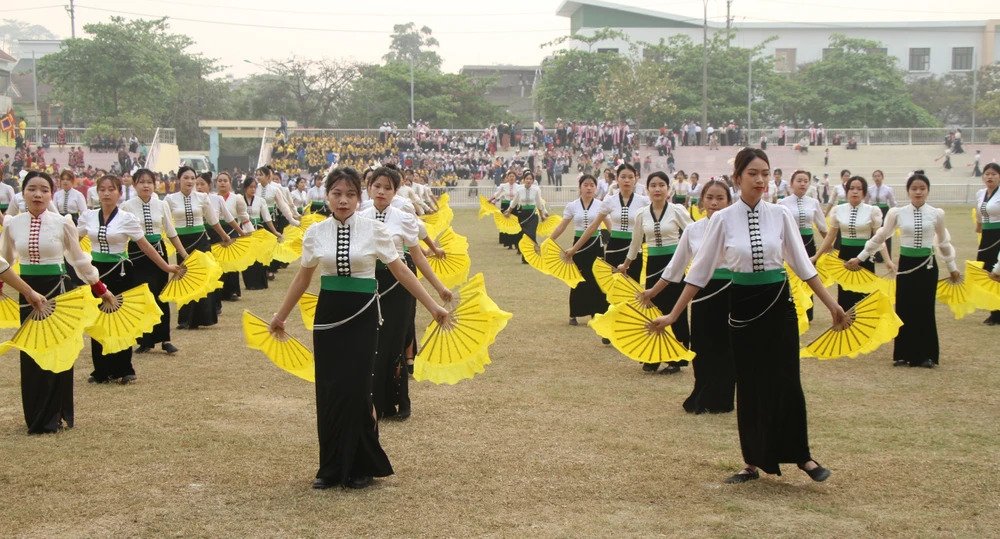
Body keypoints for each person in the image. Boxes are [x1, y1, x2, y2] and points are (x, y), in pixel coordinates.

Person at [650, 148, 849, 484]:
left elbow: (802, 266)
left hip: (779, 304)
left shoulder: (781, 214)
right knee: (751, 383)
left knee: (787, 380)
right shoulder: (723, 220)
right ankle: (752, 463)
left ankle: (803, 457)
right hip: (742, 306)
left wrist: (832, 305)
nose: (760, 180)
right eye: (753, 173)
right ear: (738, 178)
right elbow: (698, 272)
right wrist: (672, 314)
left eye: (765, 173)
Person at [268, 167, 448, 490]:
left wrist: (433, 306)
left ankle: (361, 465)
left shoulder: (374, 231)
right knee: (329, 389)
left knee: (359, 389)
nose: (343, 200)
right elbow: (302, 278)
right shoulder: (315, 233)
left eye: (351, 194)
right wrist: (281, 315)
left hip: (364, 316)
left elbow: (403, 272)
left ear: (358, 198)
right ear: (327, 196)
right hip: (328, 319)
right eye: (337, 193)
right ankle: (330, 467)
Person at [0, 170, 117, 434]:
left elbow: (79, 259)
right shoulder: (12, 224)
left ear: (51, 194)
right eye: (32, 189)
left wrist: (100, 288)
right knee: (31, 353)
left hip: (57, 292)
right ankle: (35, 416)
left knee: (57, 353)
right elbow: (5, 259)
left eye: (44, 189)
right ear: (22, 193)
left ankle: (56, 415)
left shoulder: (62, 222)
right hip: (28, 293)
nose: (38, 194)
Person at [359, 166, 452, 420]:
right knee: (372, 345)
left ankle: (399, 404)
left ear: (395, 191)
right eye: (376, 186)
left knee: (393, 345)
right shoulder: (359, 215)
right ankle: (373, 404)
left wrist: (439, 288)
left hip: (398, 286)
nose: (381, 192)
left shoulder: (403, 217)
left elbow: (417, 257)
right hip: (367, 284)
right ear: (368, 188)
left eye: (387, 188)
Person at [848, 171, 960, 368]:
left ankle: (927, 355)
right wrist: (860, 257)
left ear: (928, 191)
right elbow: (881, 236)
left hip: (928, 266)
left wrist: (952, 267)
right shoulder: (896, 213)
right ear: (908, 191)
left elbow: (943, 242)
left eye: (922, 188)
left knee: (925, 310)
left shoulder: (936, 214)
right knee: (904, 308)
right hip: (906, 266)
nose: (918, 192)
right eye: (914, 188)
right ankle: (903, 353)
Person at [642, 180, 735, 413]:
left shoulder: (737, 228)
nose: (714, 203)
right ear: (701, 201)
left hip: (734, 292)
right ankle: (702, 394)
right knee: (702, 346)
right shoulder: (694, 230)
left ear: (729, 202)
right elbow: (675, 267)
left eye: (720, 198)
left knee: (728, 347)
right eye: (710, 198)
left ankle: (723, 399)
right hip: (702, 292)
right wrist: (653, 291)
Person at [78, 175, 182, 383]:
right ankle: (101, 370)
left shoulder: (126, 218)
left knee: (119, 321)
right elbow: (72, 242)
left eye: (111, 189)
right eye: (102, 189)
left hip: (121, 272)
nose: (106, 193)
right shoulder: (87, 217)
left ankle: (124, 369)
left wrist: (166, 266)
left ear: (119, 192)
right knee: (98, 320)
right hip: (96, 273)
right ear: (97, 192)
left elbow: (146, 246)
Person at [620, 171, 693, 374]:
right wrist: (625, 264)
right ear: (647, 189)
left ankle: (676, 357)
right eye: (653, 185)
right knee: (652, 310)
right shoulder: (642, 214)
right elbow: (635, 243)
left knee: (676, 310)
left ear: (668, 189)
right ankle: (653, 356)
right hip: (652, 266)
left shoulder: (677, 210)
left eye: (662, 185)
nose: (657, 189)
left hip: (675, 265)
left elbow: (693, 233)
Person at [120, 168, 189, 355]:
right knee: (144, 296)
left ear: (155, 184)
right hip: (137, 255)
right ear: (134, 185)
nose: (146, 185)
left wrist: (184, 254)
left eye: (149, 182)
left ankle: (165, 339)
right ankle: (145, 340)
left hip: (160, 253)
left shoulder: (162, 204)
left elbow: (171, 232)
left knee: (161, 295)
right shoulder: (127, 206)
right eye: (141, 182)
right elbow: (121, 234)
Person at [164, 166, 232, 330]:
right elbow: (167, 225)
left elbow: (212, 220)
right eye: (186, 178)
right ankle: (184, 319)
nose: (190, 181)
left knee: (202, 278)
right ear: (179, 179)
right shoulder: (169, 199)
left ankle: (204, 317)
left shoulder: (202, 197)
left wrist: (225, 236)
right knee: (185, 278)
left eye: (192, 178)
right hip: (182, 243)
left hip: (201, 240)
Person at [813, 176, 893, 312]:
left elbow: (879, 238)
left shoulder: (872, 211)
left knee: (864, 295)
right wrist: (816, 256)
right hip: (844, 257)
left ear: (864, 192)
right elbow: (830, 236)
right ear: (846, 191)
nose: (855, 192)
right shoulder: (838, 209)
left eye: (859, 189)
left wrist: (888, 260)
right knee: (845, 295)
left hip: (865, 256)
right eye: (851, 188)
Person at [548, 174, 610, 326]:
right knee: (577, 279)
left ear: (596, 188)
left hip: (596, 245)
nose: (589, 188)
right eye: (586, 185)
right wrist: (549, 241)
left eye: (592, 185)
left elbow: (609, 226)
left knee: (596, 279)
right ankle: (574, 313)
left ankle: (596, 312)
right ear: (580, 187)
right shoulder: (572, 205)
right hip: (578, 247)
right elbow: (562, 226)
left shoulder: (601, 205)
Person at [779, 170, 829, 320]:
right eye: (799, 180)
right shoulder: (782, 203)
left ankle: (808, 313)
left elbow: (822, 228)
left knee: (809, 276)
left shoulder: (813, 203)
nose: (802, 183)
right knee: (791, 277)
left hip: (808, 245)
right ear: (792, 183)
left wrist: (829, 248)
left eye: (805, 181)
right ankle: (792, 309)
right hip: (789, 245)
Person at [240, 177, 281, 291]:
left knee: (259, 257)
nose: (253, 189)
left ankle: (260, 282)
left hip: (258, 231)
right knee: (247, 258)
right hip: (243, 232)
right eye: (250, 187)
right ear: (245, 188)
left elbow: (267, 218)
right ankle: (249, 283)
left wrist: (274, 231)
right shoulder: (239, 200)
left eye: (254, 187)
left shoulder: (260, 200)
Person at [216, 171, 250, 301]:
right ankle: (219, 291)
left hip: (233, 231)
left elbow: (243, 217)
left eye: (225, 181)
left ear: (230, 183)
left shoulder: (237, 198)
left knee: (232, 262)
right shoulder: (211, 198)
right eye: (220, 181)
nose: (222, 183)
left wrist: (248, 232)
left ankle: (232, 291)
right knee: (219, 263)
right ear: (216, 183)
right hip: (217, 232)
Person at [975, 162, 1000, 325]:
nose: (990, 177)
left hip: (998, 235)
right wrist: (978, 225)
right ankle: (994, 310)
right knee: (986, 272)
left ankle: (997, 314)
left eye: (993, 174)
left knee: (997, 272)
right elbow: (979, 212)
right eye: (987, 173)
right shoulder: (980, 193)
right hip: (987, 236)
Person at [504, 170, 548, 261]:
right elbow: (514, 202)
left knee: (531, 235)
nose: (528, 181)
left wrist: (542, 215)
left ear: (533, 180)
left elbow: (539, 203)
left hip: (533, 215)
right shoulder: (519, 190)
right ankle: (525, 256)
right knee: (524, 235)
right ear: (524, 180)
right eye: (527, 179)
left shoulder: (536, 190)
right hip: (523, 215)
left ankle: (530, 257)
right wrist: (508, 211)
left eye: (530, 179)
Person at [866, 170, 896, 263]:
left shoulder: (888, 189)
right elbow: (866, 202)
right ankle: (873, 255)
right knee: (873, 233)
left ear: (882, 177)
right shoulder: (870, 189)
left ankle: (885, 256)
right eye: (875, 176)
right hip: (873, 211)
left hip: (885, 211)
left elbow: (892, 202)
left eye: (878, 176)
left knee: (885, 233)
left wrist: (895, 214)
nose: (877, 178)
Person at [489, 170, 518, 249]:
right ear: (507, 178)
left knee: (514, 224)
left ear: (515, 178)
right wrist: (490, 200)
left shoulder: (518, 187)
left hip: (514, 206)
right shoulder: (503, 186)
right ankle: (509, 244)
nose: (511, 178)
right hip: (505, 205)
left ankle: (516, 243)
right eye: (510, 176)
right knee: (506, 224)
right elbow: (497, 194)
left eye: (513, 176)